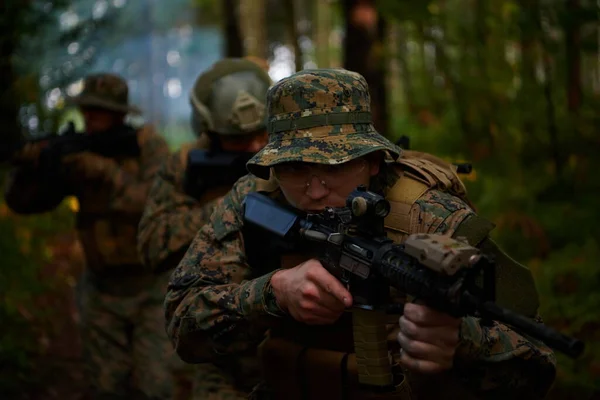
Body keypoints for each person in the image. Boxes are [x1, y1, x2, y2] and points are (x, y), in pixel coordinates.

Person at [163, 69, 557, 400]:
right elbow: (183, 326)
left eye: (334, 168)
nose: (315, 190)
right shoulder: (254, 197)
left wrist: (464, 342)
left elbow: (538, 364)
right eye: (295, 168)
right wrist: (270, 294)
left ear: (372, 162)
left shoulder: (433, 218)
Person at [4, 73, 176, 399]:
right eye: (88, 109)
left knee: (157, 388)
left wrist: (105, 173)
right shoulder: (75, 154)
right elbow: (25, 204)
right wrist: (32, 168)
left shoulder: (147, 146)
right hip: (101, 291)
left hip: (151, 288)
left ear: (121, 113)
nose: (92, 116)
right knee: (107, 388)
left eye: (102, 109)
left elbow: (156, 203)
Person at [137, 58, 271, 399]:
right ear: (209, 129)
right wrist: (229, 207)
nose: (255, 147)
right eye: (239, 139)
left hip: (290, 342)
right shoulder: (185, 165)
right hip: (222, 350)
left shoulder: (295, 155)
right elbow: (152, 245)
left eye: (262, 133)